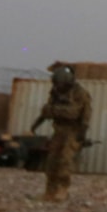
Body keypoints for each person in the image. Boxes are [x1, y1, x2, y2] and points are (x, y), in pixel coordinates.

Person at [31, 64, 93, 202]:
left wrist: (53, 110)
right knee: (52, 161)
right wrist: (37, 123)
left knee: (64, 161)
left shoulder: (79, 93)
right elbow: (46, 110)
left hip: (72, 131)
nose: (58, 86)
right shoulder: (56, 92)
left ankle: (62, 189)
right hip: (58, 130)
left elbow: (74, 113)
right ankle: (49, 191)